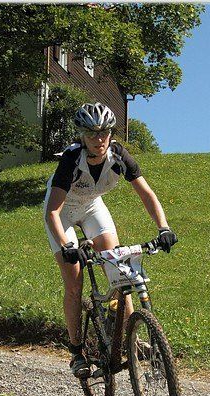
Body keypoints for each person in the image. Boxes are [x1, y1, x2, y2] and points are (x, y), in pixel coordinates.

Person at [43, 102, 177, 378]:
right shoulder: (72, 159)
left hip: (92, 206)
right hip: (63, 212)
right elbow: (52, 212)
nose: (99, 139)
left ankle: (129, 337)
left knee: (120, 270)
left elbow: (147, 194)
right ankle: (76, 351)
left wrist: (163, 228)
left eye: (104, 132)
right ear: (82, 136)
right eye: (91, 134)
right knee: (74, 282)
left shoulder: (118, 155)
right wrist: (67, 247)